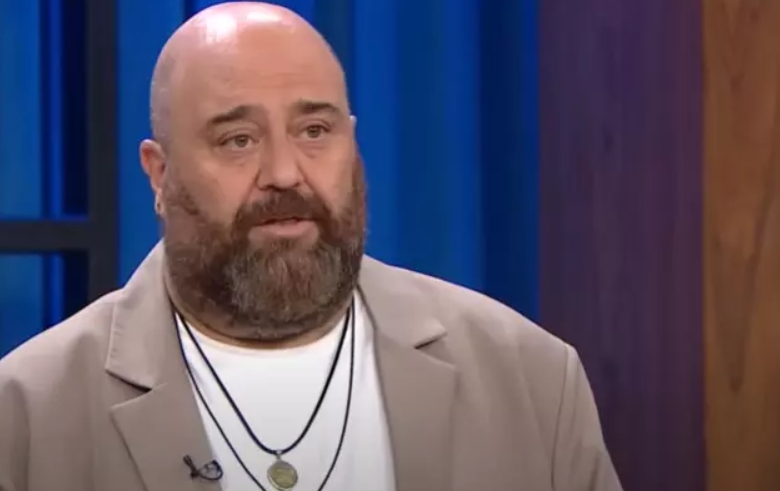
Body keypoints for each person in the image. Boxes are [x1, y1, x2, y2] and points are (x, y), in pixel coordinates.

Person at [0, 2, 622, 490]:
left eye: (315, 130)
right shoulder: (28, 416)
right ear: (159, 175)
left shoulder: (531, 382)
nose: (285, 172)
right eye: (238, 140)